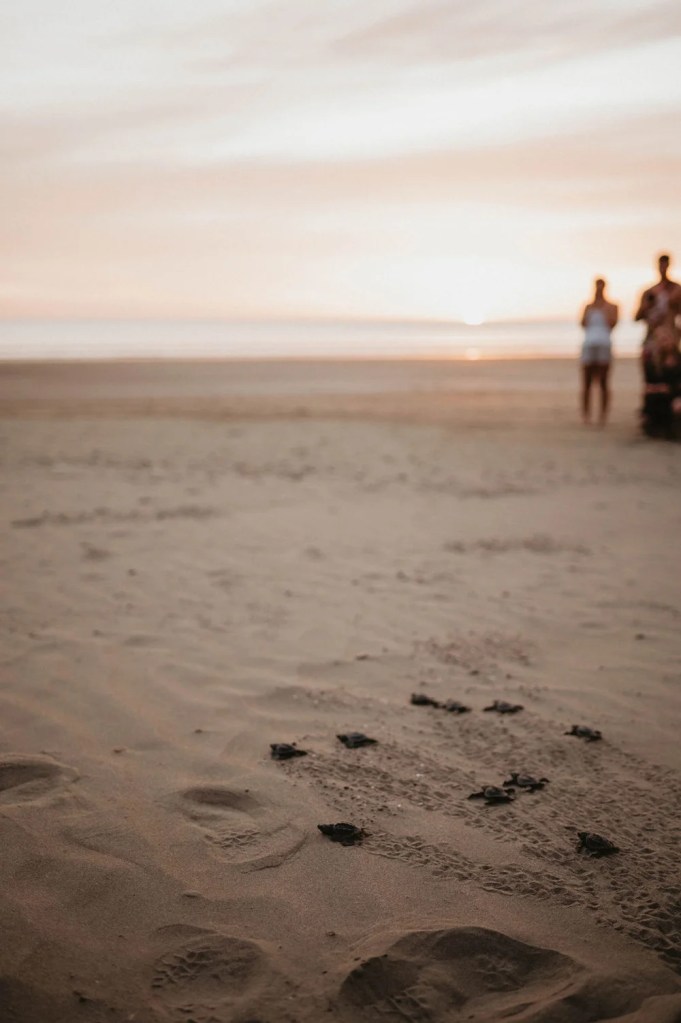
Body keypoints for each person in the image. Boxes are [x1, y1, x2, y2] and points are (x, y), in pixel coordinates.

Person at [579, 278, 618, 425]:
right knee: (587, 381)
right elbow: (583, 323)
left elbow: (613, 323)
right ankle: (586, 414)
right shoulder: (588, 306)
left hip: (604, 344)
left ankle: (603, 414)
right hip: (589, 343)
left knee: (603, 381)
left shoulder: (611, 306)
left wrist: (604, 309)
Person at [634, 253, 681, 352]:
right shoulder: (649, 292)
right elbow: (637, 317)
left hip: (669, 335)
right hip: (652, 334)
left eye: (665, 265)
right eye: (661, 265)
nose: (663, 269)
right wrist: (647, 306)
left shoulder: (676, 289)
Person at [640, 325, 681, 439]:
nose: (665, 343)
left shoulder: (679, 360)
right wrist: (660, 388)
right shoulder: (652, 363)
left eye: (667, 339)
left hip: (676, 393)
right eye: (661, 339)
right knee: (653, 397)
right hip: (659, 394)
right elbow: (648, 384)